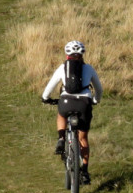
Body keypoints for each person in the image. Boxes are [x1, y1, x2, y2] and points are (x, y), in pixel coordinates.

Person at [41, 40, 103, 185]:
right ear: (82, 54)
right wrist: (95, 100)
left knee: (61, 114)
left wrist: (45, 98)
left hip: (66, 101)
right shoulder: (89, 68)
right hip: (84, 104)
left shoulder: (63, 68)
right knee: (83, 139)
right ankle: (85, 171)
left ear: (66, 53)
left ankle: (62, 138)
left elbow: (50, 87)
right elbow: (99, 89)